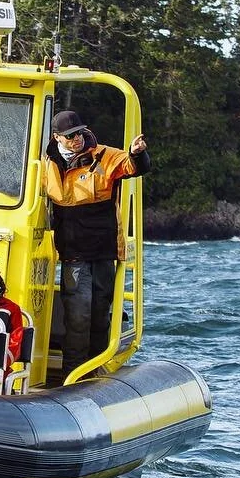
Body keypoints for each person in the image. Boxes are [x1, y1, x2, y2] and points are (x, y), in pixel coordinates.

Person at [43, 109, 150, 378]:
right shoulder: (45, 163)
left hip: (103, 250)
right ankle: (73, 375)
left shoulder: (104, 155)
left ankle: (96, 372)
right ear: (56, 137)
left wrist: (137, 153)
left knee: (100, 315)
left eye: (79, 133)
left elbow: (133, 167)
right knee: (78, 317)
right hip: (72, 252)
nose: (76, 139)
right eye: (69, 136)